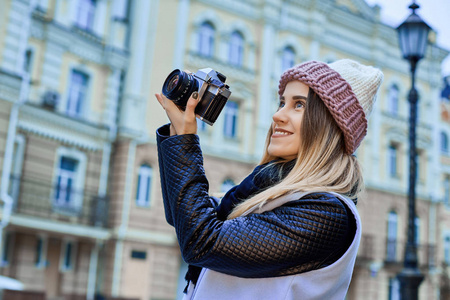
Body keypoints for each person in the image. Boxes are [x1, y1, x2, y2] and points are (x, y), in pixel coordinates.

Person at [155, 59, 383, 300]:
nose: (278, 115)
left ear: (329, 126)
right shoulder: (267, 191)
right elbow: (182, 218)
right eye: (282, 102)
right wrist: (175, 133)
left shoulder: (328, 214)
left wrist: (186, 141)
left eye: (299, 105)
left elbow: (202, 240)